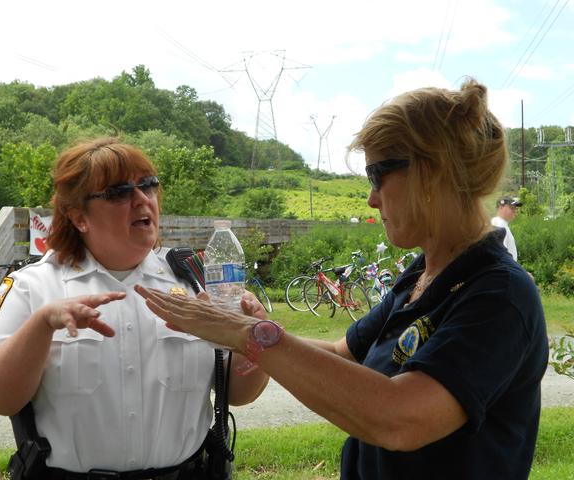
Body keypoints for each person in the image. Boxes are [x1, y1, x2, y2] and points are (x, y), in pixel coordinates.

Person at [136, 79, 549, 479]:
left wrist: (251, 335)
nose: (371, 198)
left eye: (377, 175)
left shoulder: (499, 294)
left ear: (433, 172)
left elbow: (400, 418)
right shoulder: (422, 274)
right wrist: (258, 329)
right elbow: (343, 353)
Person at [0, 138, 269, 479]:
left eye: (148, 185)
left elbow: (241, 393)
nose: (141, 198)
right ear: (79, 216)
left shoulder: (194, 283)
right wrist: (41, 326)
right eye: (118, 192)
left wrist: (254, 338)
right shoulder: (32, 286)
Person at [491, 195, 523, 261]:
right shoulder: (499, 225)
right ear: (501, 207)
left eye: (515, 208)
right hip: (506, 269)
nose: (514, 210)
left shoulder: (501, 224)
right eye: (511, 207)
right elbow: (501, 256)